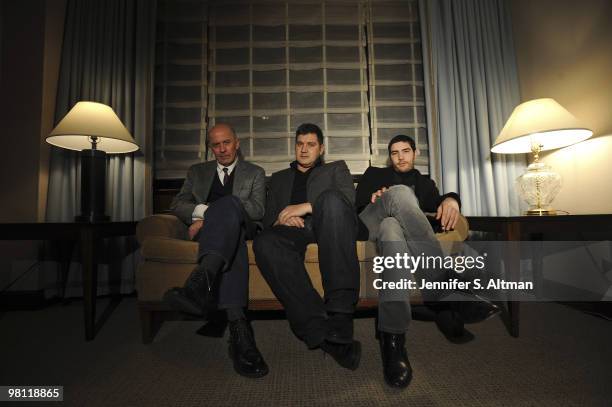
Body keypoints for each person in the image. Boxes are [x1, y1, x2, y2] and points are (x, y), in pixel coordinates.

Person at [355, 134, 500, 389]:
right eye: (395, 152)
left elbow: (440, 201)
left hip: (390, 230)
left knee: (392, 228)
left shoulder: (425, 184)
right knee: (394, 202)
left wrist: (452, 198)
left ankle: (393, 342)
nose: (400, 156)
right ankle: (444, 285)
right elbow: (356, 207)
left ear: (415, 153)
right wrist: (374, 198)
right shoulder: (374, 173)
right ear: (389, 157)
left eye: (405, 151)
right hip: (371, 221)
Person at [253, 123, 362, 370]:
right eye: (299, 144)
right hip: (291, 230)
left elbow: (348, 201)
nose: (304, 149)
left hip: (330, 224)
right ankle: (322, 331)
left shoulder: (336, 169)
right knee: (265, 242)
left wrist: (306, 206)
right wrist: (283, 217)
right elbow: (267, 217)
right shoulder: (279, 179)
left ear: (321, 149)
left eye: (310, 144)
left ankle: (341, 313)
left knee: (332, 200)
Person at [164, 123, 269, 378]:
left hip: (242, 227)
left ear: (237, 143)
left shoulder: (254, 172)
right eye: (216, 145)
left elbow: (257, 210)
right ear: (210, 147)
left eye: (226, 143)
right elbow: (177, 203)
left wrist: (211, 213)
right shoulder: (197, 172)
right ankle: (240, 331)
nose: (222, 150)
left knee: (231, 205)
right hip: (217, 237)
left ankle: (200, 282)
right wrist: (208, 216)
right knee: (234, 244)